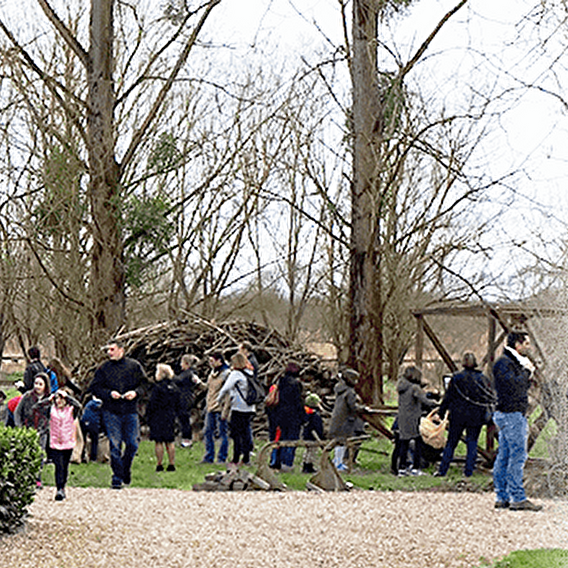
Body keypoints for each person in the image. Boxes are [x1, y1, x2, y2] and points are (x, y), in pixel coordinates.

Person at [492, 331, 542, 511]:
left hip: (506, 414)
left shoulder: (506, 362)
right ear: (517, 345)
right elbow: (515, 386)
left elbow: (519, 386)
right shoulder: (506, 363)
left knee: (504, 455)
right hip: (512, 414)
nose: (529, 347)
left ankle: (502, 496)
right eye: (526, 344)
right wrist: (527, 371)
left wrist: (526, 374)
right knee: (517, 456)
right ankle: (517, 497)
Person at [89, 340, 147, 489]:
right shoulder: (104, 368)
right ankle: (117, 477)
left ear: (121, 350)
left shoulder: (134, 366)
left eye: (112, 349)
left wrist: (135, 393)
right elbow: (95, 388)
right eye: (108, 350)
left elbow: (145, 385)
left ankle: (124, 469)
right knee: (115, 446)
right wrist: (109, 394)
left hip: (130, 410)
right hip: (111, 411)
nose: (109, 353)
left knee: (132, 444)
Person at [434, 352, 496, 477]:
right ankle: (468, 471)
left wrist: (441, 412)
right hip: (476, 416)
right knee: (472, 443)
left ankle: (442, 470)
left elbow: (448, 398)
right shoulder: (482, 379)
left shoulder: (456, 378)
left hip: (457, 416)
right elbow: (488, 397)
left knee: (451, 443)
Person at [35, 389, 82, 501]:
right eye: (57, 398)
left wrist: (68, 397)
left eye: (61, 399)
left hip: (68, 442)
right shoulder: (51, 410)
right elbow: (37, 407)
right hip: (55, 443)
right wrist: (48, 399)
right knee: (58, 466)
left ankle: (63, 486)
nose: (59, 401)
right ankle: (59, 488)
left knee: (65, 466)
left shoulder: (71, 410)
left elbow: (79, 406)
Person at [396, 366, 437, 476]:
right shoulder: (414, 388)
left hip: (402, 418)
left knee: (404, 443)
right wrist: (435, 404)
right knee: (418, 443)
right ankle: (415, 467)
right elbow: (424, 400)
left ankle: (402, 468)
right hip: (413, 419)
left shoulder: (402, 387)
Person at [217, 352, 256, 465]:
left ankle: (236, 458)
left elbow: (226, 388)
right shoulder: (250, 373)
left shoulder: (236, 374)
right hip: (250, 407)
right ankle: (246, 457)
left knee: (236, 434)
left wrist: (218, 399)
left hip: (238, 407)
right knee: (246, 432)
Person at [14, 372, 51, 488]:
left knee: (39, 455)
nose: (37, 386)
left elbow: (51, 416)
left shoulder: (48, 400)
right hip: (27, 428)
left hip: (41, 430)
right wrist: (19, 426)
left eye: (40, 384)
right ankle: (26, 478)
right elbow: (17, 412)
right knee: (26, 454)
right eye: (36, 383)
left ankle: (37, 478)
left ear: (45, 386)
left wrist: (46, 428)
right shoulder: (27, 396)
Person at [329, 368, 366, 472]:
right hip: (345, 419)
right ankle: (338, 463)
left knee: (339, 442)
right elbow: (352, 407)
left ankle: (337, 461)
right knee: (342, 442)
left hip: (338, 418)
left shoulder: (340, 389)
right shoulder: (350, 392)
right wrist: (362, 408)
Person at [147, 363, 181, 472]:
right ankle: (172, 464)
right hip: (170, 416)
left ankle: (159, 464)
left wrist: (148, 416)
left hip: (158, 416)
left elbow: (152, 403)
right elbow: (178, 403)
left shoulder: (157, 388)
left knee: (159, 441)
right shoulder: (174, 387)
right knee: (170, 441)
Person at [272, 362, 305, 472]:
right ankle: (287, 463)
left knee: (283, 438)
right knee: (292, 440)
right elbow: (298, 402)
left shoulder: (281, 382)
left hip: (281, 415)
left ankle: (279, 461)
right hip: (293, 416)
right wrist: (303, 417)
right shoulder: (296, 384)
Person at [202, 352, 230, 464]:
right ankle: (209, 456)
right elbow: (208, 388)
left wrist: (225, 409)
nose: (210, 363)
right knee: (207, 432)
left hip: (220, 407)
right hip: (210, 407)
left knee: (222, 433)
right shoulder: (212, 373)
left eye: (212, 361)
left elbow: (228, 393)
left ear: (219, 361)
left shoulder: (226, 374)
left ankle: (222, 457)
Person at [175, 354, 203, 448]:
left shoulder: (188, 374)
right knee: (182, 419)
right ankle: (185, 439)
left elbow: (178, 380)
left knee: (184, 419)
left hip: (185, 398)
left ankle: (187, 440)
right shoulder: (190, 373)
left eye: (182, 363)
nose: (180, 365)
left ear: (186, 363)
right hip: (186, 398)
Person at [301, 392, 324, 474]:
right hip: (313, 436)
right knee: (312, 451)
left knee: (308, 451)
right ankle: (308, 465)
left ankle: (305, 463)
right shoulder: (314, 414)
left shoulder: (306, 412)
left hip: (307, 435)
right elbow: (317, 426)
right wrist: (320, 436)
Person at [80, 395, 103, 463]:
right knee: (94, 441)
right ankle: (93, 457)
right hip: (94, 423)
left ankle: (82, 455)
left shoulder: (89, 403)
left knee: (83, 440)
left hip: (84, 422)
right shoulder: (100, 405)